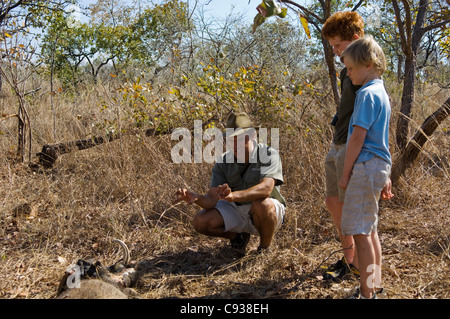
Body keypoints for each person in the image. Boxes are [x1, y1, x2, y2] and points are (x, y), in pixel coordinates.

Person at [175, 112, 286, 254]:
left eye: (239, 139)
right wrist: (196, 198)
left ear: (252, 136)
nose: (234, 144)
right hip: (237, 210)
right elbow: (211, 199)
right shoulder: (223, 161)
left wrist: (233, 196)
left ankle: (264, 248)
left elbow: (266, 189)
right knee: (200, 221)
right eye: (230, 139)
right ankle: (238, 238)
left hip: (267, 211)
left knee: (263, 205)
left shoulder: (269, 154)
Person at [338, 35, 392, 299]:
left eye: (350, 68)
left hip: (365, 166)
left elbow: (358, 137)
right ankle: (375, 285)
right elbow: (380, 139)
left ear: (368, 64)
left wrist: (346, 173)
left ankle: (366, 293)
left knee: (360, 231)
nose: (348, 74)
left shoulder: (367, 94)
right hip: (378, 164)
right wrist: (387, 175)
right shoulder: (381, 93)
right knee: (370, 230)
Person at [320, 11, 365, 282]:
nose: (335, 52)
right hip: (338, 142)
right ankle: (349, 261)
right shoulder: (346, 71)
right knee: (333, 202)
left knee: (352, 208)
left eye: (338, 45)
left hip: (352, 145)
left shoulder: (365, 71)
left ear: (356, 39)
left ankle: (360, 265)